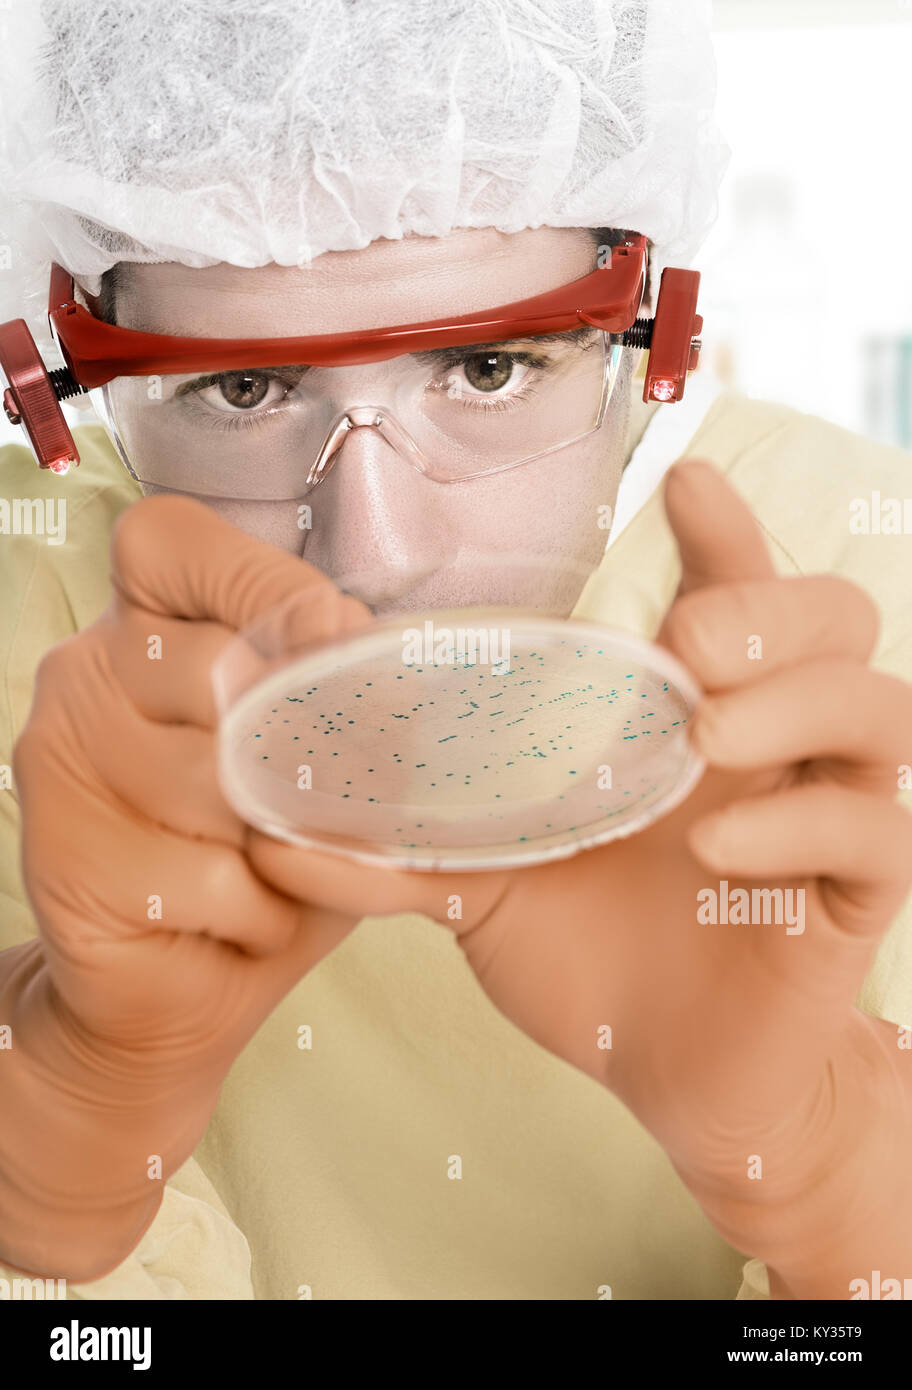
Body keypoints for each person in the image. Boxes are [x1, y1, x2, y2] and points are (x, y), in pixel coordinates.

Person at [0, 0, 911, 1302]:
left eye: (486, 368)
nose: (373, 551)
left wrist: (839, 1165)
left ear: (654, 339)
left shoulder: (877, 591)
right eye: (244, 390)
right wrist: (56, 1154)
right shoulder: (24, 618)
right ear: (75, 389)